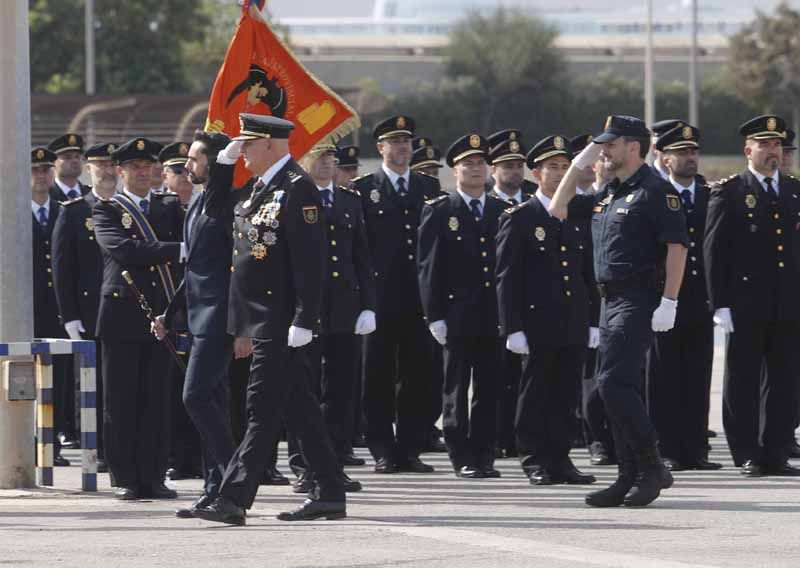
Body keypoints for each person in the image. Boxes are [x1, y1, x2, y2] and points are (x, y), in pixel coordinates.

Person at [193, 113, 345, 525]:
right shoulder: (261, 188)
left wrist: (305, 319)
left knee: (260, 409)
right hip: (259, 319)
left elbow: (312, 264)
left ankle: (234, 498)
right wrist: (221, 167)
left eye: (247, 145)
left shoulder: (298, 189)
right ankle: (330, 491)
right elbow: (216, 207)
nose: (242, 153)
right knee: (300, 409)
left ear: (272, 145)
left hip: (282, 322)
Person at [550, 115, 688, 507]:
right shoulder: (611, 193)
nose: (604, 150)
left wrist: (670, 301)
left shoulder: (655, 191)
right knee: (612, 388)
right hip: (608, 301)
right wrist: (582, 161)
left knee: (613, 383)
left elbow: (677, 248)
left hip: (639, 299)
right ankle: (629, 474)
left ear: (634, 146)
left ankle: (652, 467)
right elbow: (558, 207)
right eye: (602, 145)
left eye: (611, 144)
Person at [153, 130, 250, 517]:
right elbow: (193, 268)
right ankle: (216, 493)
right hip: (196, 319)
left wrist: (226, 159)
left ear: (212, 162)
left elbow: (235, 271)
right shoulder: (195, 204)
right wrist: (169, 313)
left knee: (194, 396)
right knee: (213, 404)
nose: (186, 166)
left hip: (218, 319)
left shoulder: (223, 200)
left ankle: (235, 482)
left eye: (194, 159)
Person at [496, 135, 598, 486]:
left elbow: (588, 271)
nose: (558, 173)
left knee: (567, 392)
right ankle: (535, 459)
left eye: (563, 167)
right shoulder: (522, 217)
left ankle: (561, 458)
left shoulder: (578, 213)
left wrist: (594, 319)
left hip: (572, 319)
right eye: (551, 167)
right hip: (537, 321)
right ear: (536, 173)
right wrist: (512, 327)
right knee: (535, 392)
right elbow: (507, 277)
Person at [704, 114, 800, 477]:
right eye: (765, 144)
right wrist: (720, 303)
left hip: (788, 302)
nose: (773, 151)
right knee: (742, 379)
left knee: (784, 379)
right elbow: (714, 250)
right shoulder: (729, 191)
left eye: (776, 144)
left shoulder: (793, 190)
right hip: (745, 302)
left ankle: (776, 451)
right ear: (748, 150)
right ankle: (747, 452)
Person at [92, 137, 185, 501]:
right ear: (120, 171)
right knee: (121, 399)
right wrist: (178, 250)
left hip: (161, 314)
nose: (143, 172)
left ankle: (154, 475)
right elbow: (125, 250)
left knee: (156, 400)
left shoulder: (168, 207)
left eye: (148, 166)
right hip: (122, 314)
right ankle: (126, 477)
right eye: (134, 167)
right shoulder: (107, 210)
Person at [351, 115, 441, 474]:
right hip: (379, 299)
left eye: (407, 141)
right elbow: (357, 249)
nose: (403, 147)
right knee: (377, 375)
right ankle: (382, 448)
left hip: (418, 299)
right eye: (395, 141)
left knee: (418, 375)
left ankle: (410, 447)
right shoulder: (363, 189)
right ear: (381, 148)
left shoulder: (428, 188)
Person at [418, 133, 505, 478]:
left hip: (493, 314)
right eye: (467, 163)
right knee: (455, 387)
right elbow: (428, 267)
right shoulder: (441, 210)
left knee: (489, 388)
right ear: (454, 171)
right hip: (456, 314)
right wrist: (434, 315)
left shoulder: (501, 210)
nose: (475, 168)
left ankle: (484, 454)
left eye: (480, 163)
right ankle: (461, 454)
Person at [290, 143, 375, 492]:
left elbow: (361, 256)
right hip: (307, 308)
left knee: (341, 391)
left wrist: (368, 304)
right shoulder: (294, 196)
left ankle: (335, 463)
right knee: (304, 389)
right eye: (320, 156)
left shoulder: (349, 200)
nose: (327, 163)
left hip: (343, 307)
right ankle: (304, 466)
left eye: (332, 158)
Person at [646, 124, 721, 471]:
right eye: (681, 153)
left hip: (699, 300)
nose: (690, 158)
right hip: (664, 298)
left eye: (693, 152)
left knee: (698, 373)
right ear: (663, 158)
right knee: (664, 375)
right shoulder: (654, 194)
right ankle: (668, 448)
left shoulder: (709, 195)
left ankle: (696, 449)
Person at [52, 142, 119, 474]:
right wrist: (70, 316)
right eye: (100, 165)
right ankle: (101, 452)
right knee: (98, 388)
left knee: (125, 387)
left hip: (127, 314)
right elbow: (63, 268)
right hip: (91, 312)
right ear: (89, 170)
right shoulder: (75, 211)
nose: (106, 171)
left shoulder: (126, 208)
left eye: (111, 165)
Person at [486, 130, 533, 457]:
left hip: (531, 302)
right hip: (493, 303)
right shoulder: (485, 201)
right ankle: (499, 438)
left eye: (519, 165)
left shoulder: (535, 199)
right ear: (494, 170)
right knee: (498, 376)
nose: (514, 171)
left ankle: (523, 437)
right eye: (507, 165)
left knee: (528, 377)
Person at [30, 147, 70, 467]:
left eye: (45, 169)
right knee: (25, 376)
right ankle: (28, 440)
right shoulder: (12, 210)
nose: (41, 176)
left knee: (57, 377)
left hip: (57, 307)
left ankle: (52, 443)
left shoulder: (64, 210)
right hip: (26, 309)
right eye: (34, 170)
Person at [158, 142, 196, 207]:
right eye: (178, 171)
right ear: (164, 177)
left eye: (189, 170)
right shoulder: (156, 205)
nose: (185, 174)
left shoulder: (203, 204)